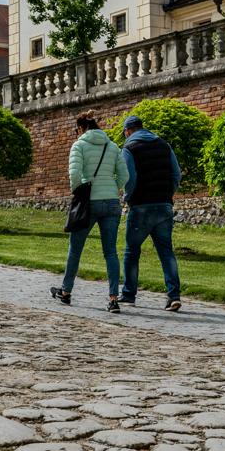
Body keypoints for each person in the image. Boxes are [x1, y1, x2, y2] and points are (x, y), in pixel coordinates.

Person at [51, 113, 128, 313]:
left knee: (75, 249)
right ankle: (113, 299)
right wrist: (112, 188)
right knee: (110, 251)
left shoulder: (79, 145)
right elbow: (124, 175)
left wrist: (79, 192)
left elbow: (75, 176)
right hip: (111, 202)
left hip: (88, 203)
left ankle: (66, 292)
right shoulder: (112, 146)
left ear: (81, 128)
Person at [118, 114, 184, 312]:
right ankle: (174, 296)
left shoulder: (128, 148)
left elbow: (129, 177)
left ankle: (129, 295)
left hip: (141, 206)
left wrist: (128, 197)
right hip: (164, 205)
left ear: (127, 131)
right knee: (166, 251)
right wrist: (167, 193)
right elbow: (176, 174)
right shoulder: (164, 145)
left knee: (132, 251)